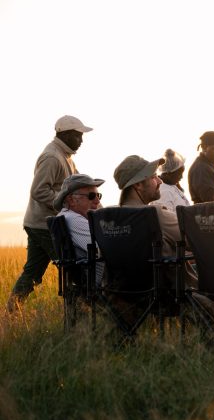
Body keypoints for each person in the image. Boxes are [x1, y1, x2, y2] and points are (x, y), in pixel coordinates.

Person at [7, 115, 93, 313]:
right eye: (79, 136)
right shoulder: (52, 157)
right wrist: (67, 204)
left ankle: (10, 314)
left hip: (40, 223)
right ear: (67, 135)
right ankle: (77, 317)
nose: (82, 140)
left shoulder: (65, 156)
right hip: (44, 225)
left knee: (32, 272)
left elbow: (78, 184)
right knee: (73, 268)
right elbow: (38, 190)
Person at [114, 155, 197, 287]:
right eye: (153, 177)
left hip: (124, 297)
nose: (160, 181)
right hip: (173, 296)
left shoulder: (110, 218)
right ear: (138, 184)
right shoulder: (155, 215)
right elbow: (195, 240)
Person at [54, 174, 105, 285]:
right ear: (71, 200)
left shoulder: (68, 216)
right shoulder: (74, 219)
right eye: (91, 196)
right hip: (103, 283)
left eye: (98, 195)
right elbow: (105, 250)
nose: (97, 201)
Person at [188, 131, 214, 203]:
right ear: (204, 147)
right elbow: (209, 195)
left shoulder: (210, 165)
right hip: (207, 213)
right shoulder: (200, 168)